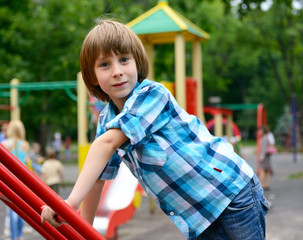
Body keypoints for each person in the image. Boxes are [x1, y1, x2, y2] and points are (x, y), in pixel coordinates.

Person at [41, 19, 269, 240]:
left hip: (231, 193)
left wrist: (69, 203)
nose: (117, 71)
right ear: (92, 77)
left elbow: (106, 144)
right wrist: (83, 227)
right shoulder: (106, 121)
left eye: (124, 60)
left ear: (137, 62)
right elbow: (98, 178)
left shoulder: (152, 95)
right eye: (104, 64)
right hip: (200, 215)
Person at [2, 120, 29, 240]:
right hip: (23, 179)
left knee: (12, 209)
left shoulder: (5, 143)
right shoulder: (25, 144)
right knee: (21, 207)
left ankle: (14, 236)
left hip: (10, 178)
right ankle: (20, 235)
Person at [259, 126, 275, 191]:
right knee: (267, 171)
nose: (259, 132)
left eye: (260, 130)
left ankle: (261, 185)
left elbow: (264, 149)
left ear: (263, 131)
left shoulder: (264, 138)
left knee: (262, 171)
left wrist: (261, 157)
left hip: (264, 157)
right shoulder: (268, 137)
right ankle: (266, 184)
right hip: (268, 157)